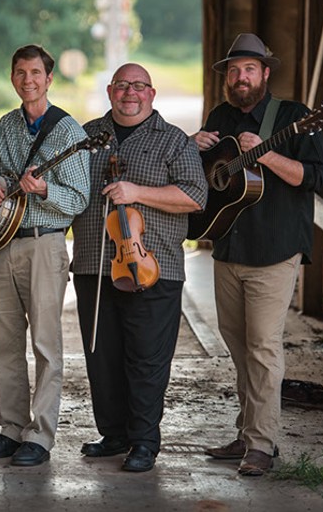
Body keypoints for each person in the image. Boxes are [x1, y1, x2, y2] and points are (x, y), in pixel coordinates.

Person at [194, 33, 323, 476]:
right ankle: (247, 431)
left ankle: (262, 445)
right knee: (239, 348)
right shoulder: (220, 116)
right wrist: (193, 146)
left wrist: (266, 158)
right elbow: (207, 180)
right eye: (233, 70)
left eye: (249, 69)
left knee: (264, 348)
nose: (240, 77)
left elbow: (313, 177)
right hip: (229, 247)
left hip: (274, 251)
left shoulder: (294, 118)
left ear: (265, 73)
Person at [71, 63, 207, 472]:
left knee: (146, 359)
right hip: (95, 263)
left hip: (154, 266)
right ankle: (113, 435)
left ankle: (145, 441)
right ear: (111, 91)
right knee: (102, 355)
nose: (131, 92)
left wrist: (137, 192)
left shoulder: (174, 141)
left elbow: (195, 196)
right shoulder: (87, 136)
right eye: (123, 85)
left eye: (139, 86)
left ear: (152, 93)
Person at [0, 45, 90, 467]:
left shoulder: (69, 132)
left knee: (45, 344)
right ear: (13, 77)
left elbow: (78, 198)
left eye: (36, 72)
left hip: (45, 244)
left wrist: (44, 190)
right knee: (3, 345)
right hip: (1, 244)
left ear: (49, 78)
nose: (28, 79)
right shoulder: (6, 124)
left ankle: (40, 436)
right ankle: (11, 428)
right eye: (20, 72)